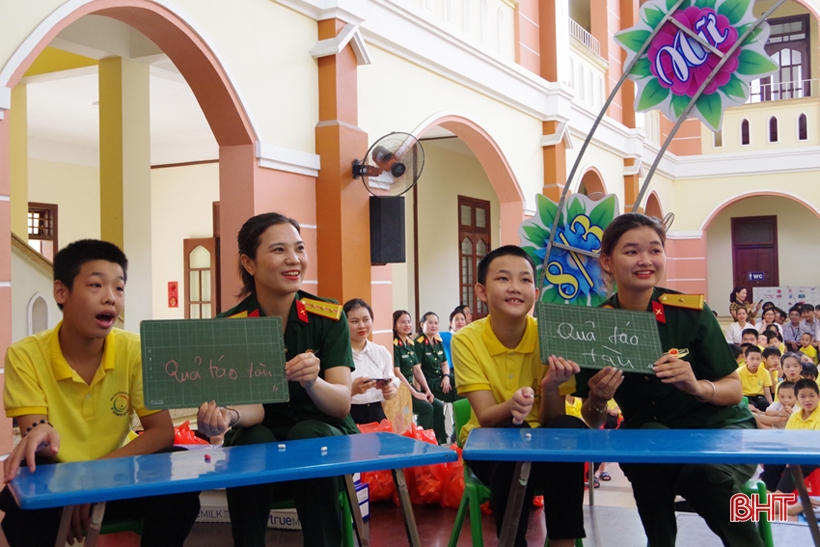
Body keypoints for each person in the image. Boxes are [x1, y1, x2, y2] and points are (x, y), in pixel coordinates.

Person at [573, 213, 762, 547]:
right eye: (631, 252)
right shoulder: (594, 326)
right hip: (654, 434)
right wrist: (599, 399)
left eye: (655, 250)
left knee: (703, 473)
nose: (645, 260)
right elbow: (592, 417)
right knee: (646, 450)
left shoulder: (688, 312)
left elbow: (733, 391)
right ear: (607, 261)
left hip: (719, 428)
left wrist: (696, 386)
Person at [1, 239, 200, 547]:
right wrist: (43, 438)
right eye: (96, 285)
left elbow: (161, 432)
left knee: (178, 486)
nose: (110, 299)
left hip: (116, 474)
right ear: (61, 292)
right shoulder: (24, 354)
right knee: (26, 496)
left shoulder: (134, 349)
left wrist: (94, 478)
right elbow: (36, 432)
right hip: (57, 481)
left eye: (119, 288)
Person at [196, 212, 358, 547]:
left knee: (309, 433)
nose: (294, 260)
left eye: (299, 249)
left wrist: (314, 382)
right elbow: (253, 408)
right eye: (279, 250)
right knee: (251, 438)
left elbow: (341, 404)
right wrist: (227, 416)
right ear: (249, 263)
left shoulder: (329, 316)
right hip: (263, 448)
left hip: (322, 443)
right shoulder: (231, 325)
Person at [454, 245, 586, 547]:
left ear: (535, 293)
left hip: (546, 453)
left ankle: (562, 543)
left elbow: (553, 420)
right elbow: (487, 417)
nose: (515, 288)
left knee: (568, 430)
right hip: (492, 452)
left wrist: (550, 387)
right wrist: (512, 406)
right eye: (503, 279)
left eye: (525, 280)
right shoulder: (466, 340)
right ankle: (512, 542)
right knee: (511, 433)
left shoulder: (552, 335)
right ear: (482, 291)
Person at [392, 310, 447, 444]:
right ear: (394, 325)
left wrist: (426, 390)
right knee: (426, 408)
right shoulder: (394, 345)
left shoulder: (410, 344)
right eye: (402, 322)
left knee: (438, 406)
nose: (407, 324)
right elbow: (397, 372)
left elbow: (417, 369)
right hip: (399, 391)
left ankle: (438, 442)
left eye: (409, 321)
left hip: (411, 390)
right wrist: (415, 393)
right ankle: (423, 443)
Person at [344, 299, 399, 424]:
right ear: (344, 323)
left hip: (376, 412)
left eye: (366, 319)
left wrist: (391, 389)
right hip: (348, 414)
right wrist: (352, 391)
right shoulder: (338, 354)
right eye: (354, 321)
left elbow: (391, 378)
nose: (362, 326)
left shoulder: (381, 352)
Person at [416, 311, 461, 405]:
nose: (433, 326)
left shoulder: (438, 341)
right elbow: (417, 370)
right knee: (461, 393)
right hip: (430, 382)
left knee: (464, 382)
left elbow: (444, 363)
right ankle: (460, 416)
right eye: (430, 323)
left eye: (436, 323)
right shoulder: (418, 344)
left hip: (442, 377)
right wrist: (419, 391)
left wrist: (446, 376)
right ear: (422, 324)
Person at [738, 346, 772, 411]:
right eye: (752, 359)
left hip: (759, 396)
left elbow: (767, 394)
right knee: (752, 407)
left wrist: (771, 407)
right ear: (745, 358)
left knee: (764, 404)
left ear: (761, 359)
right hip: (745, 396)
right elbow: (737, 392)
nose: (755, 362)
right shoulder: (739, 372)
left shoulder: (765, 372)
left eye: (758, 359)